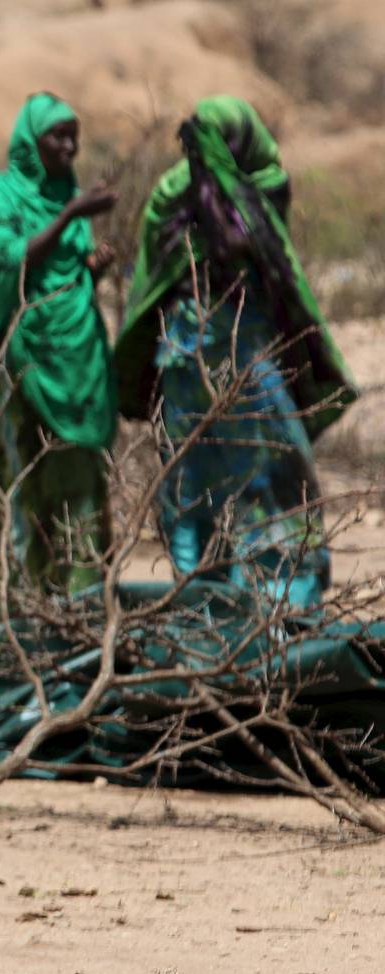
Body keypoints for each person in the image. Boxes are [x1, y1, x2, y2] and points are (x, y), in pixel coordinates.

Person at [115, 96, 357, 608]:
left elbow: (150, 281)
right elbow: (281, 279)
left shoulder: (170, 192)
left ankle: (202, 595)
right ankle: (284, 602)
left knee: (192, 480)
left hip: (180, 357)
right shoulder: (261, 190)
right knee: (274, 472)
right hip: (243, 355)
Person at [0, 91, 119, 605]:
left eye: (74, 136)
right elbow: (10, 260)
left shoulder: (67, 198)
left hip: (74, 362)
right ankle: (14, 609)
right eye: (58, 136)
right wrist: (73, 214)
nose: (70, 147)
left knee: (77, 481)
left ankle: (77, 603)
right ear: (30, 143)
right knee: (19, 479)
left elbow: (60, 282)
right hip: (20, 361)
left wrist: (91, 272)